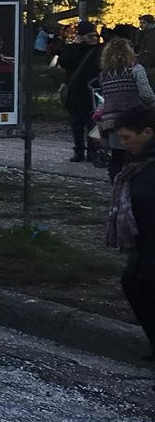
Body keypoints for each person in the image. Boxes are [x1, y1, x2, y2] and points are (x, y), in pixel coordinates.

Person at [107, 104, 155, 359]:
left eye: (128, 137)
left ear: (147, 132)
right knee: (134, 284)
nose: (124, 143)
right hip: (143, 240)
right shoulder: (137, 161)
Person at [96, 37, 155, 178]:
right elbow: (146, 95)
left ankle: (117, 186)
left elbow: (105, 97)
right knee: (134, 154)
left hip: (110, 121)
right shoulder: (136, 69)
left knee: (117, 156)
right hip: (133, 119)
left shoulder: (103, 74)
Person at [58, 23, 102, 162]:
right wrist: (75, 46)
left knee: (94, 123)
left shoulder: (99, 49)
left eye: (96, 35)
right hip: (76, 91)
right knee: (77, 123)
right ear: (81, 37)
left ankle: (93, 151)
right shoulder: (73, 49)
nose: (94, 38)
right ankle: (79, 150)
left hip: (94, 92)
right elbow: (64, 62)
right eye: (90, 36)